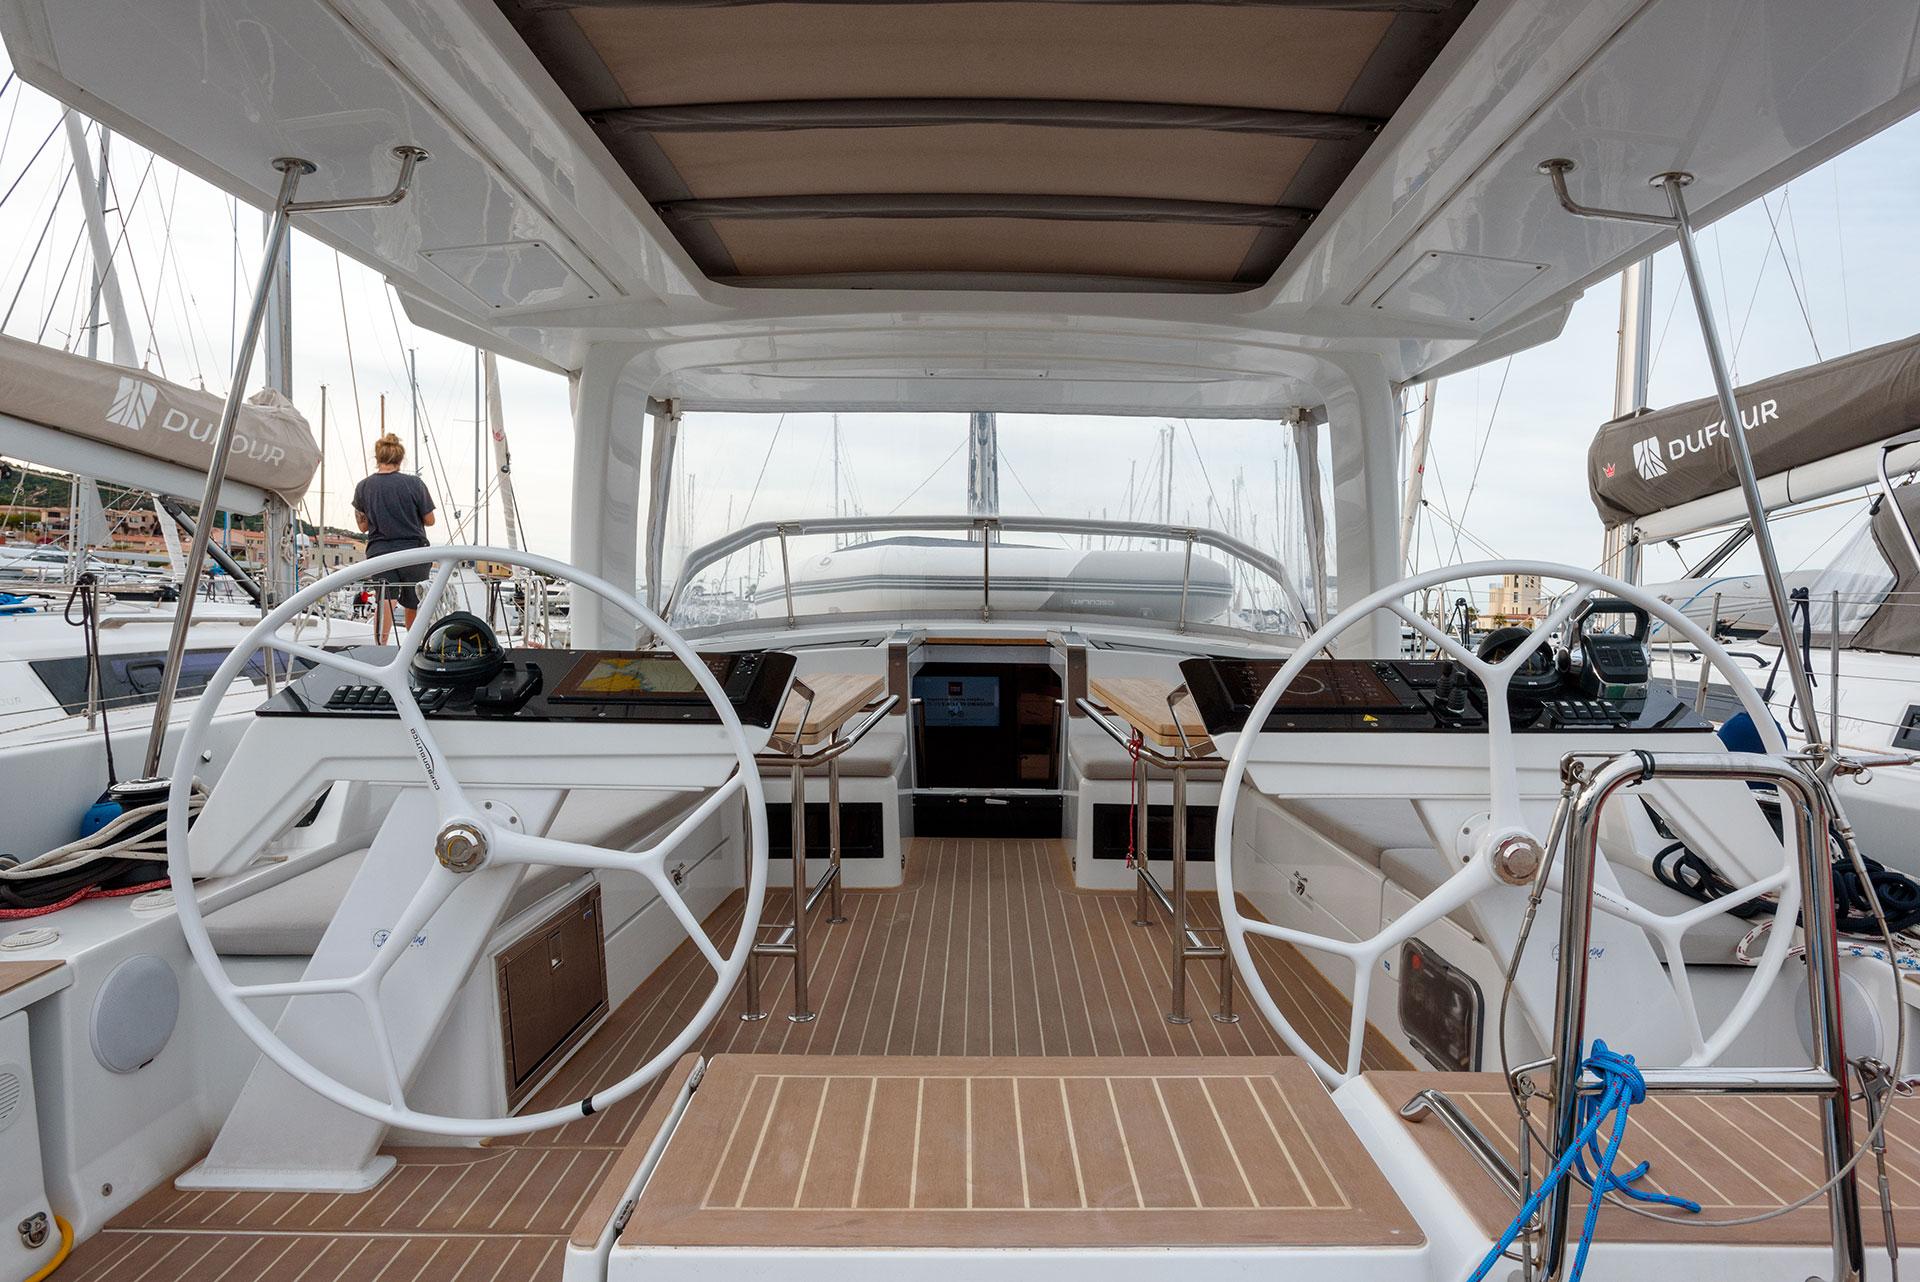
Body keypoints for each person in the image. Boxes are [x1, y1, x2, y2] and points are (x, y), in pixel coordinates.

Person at [352, 433, 436, 643]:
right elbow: (430, 520)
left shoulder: (363, 487)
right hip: (414, 552)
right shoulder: (415, 484)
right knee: (413, 603)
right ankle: (414, 648)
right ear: (400, 459)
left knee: (385, 602)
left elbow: (362, 526)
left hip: (380, 553)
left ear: (377, 458)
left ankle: (380, 647)